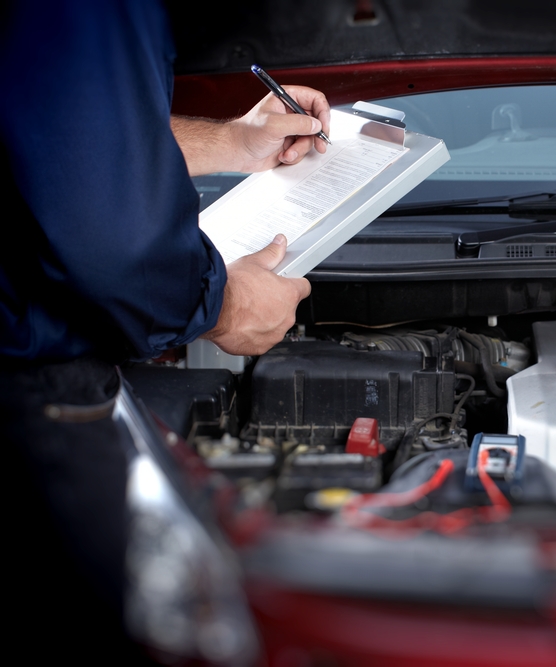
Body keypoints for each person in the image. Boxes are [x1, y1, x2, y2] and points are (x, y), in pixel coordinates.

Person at [0, 0, 327, 659]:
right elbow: (110, 242)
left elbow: (52, 136)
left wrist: (236, 141)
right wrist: (224, 304)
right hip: (29, 395)